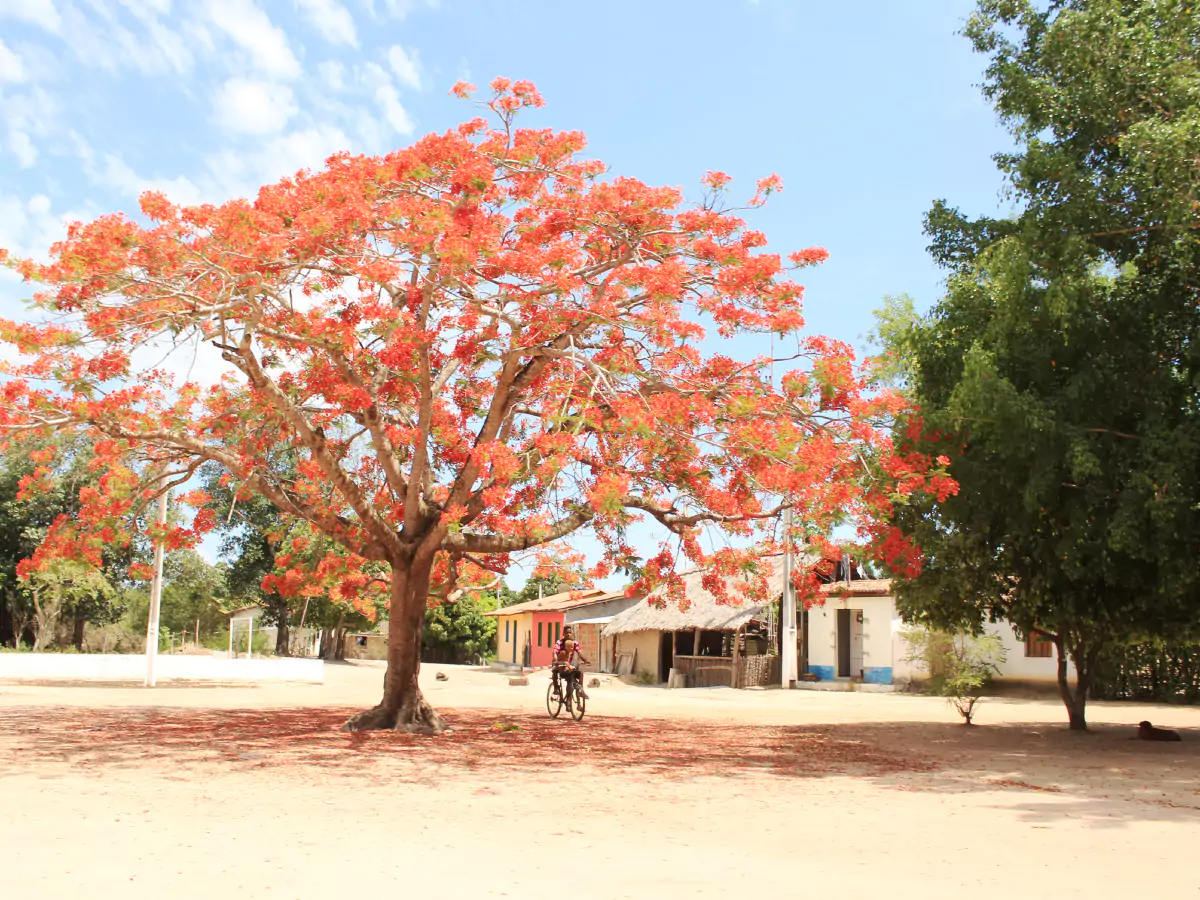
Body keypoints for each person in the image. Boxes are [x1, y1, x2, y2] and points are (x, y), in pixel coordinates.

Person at [552, 626, 591, 700]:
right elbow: (554, 652)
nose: (569, 634)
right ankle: (556, 688)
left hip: (568, 665)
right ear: (563, 633)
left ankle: (580, 690)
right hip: (560, 664)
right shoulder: (559, 643)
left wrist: (585, 660)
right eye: (567, 633)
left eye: (570, 633)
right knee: (554, 671)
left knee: (578, 674)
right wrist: (556, 661)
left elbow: (580, 652)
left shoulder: (574, 643)